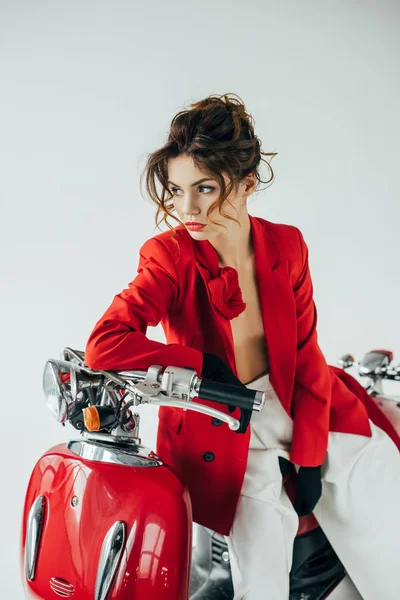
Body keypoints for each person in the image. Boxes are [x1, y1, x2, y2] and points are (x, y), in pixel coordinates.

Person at [84, 93, 400, 600]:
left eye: (205, 188)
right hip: (226, 426)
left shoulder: (287, 245)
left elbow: (307, 356)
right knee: (260, 571)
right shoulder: (168, 256)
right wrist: (202, 366)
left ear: (247, 184)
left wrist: (311, 454)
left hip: (307, 405)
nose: (187, 208)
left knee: (383, 500)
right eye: (177, 189)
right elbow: (105, 344)